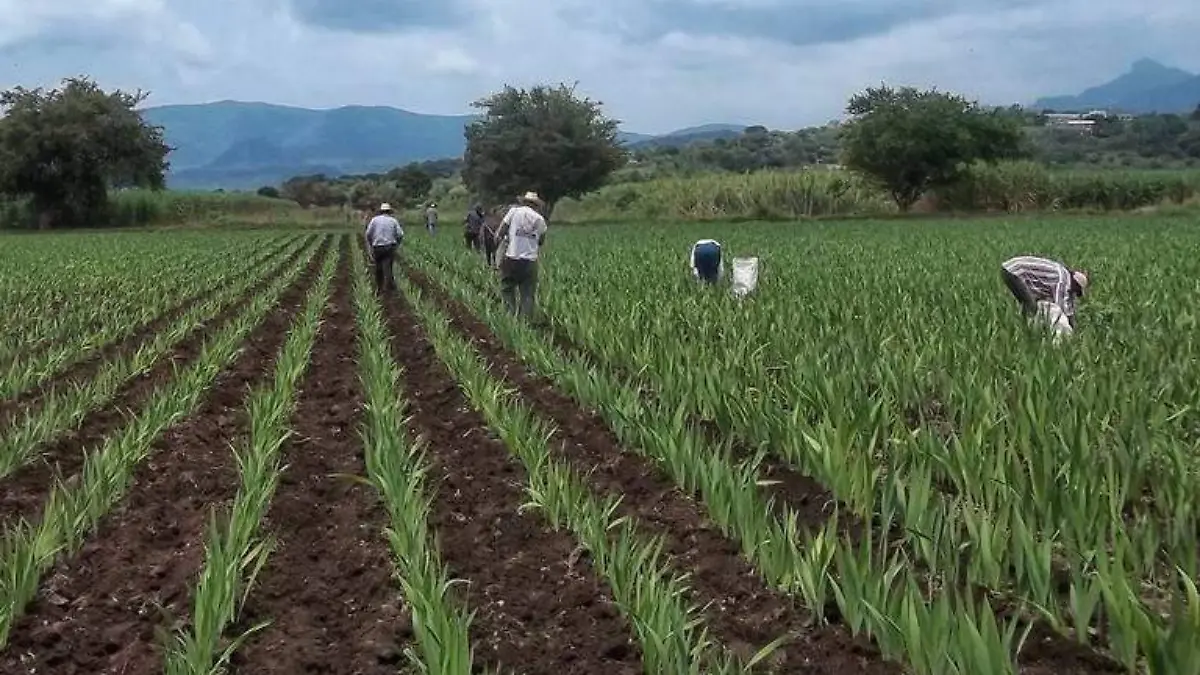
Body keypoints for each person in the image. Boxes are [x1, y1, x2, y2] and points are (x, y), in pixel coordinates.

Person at [1001, 255, 1089, 329]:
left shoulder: (1062, 273)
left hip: (1009, 268)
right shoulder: (1063, 280)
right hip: (1015, 271)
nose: (1074, 294)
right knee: (1032, 308)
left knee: (1028, 305)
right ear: (1075, 284)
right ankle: (1029, 332)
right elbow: (1060, 305)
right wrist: (1071, 325)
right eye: (1076, 291)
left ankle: (1025, 329)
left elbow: (1064, 302)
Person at [496, 192, 547, 318]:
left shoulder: (514, 212)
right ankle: (526, 323)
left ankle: (510, 317)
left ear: (524, 202)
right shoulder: (540, 219)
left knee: (507, 288)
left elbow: (500, 232)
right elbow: (541, 241)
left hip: (512, 258)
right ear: (536, 205)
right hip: (530, 261)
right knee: (528, 294)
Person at [365, 203, 404, 292]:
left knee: (378, 268)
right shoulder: (393, 221)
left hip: (377, 246)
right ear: (389, 212)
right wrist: (397, 244)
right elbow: (400, 234)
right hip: (389, 246)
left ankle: (379, 287)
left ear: (381, 211)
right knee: (388, 267)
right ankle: (389, 287)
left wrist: (371, 244)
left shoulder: (374, 220)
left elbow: (368, 234)